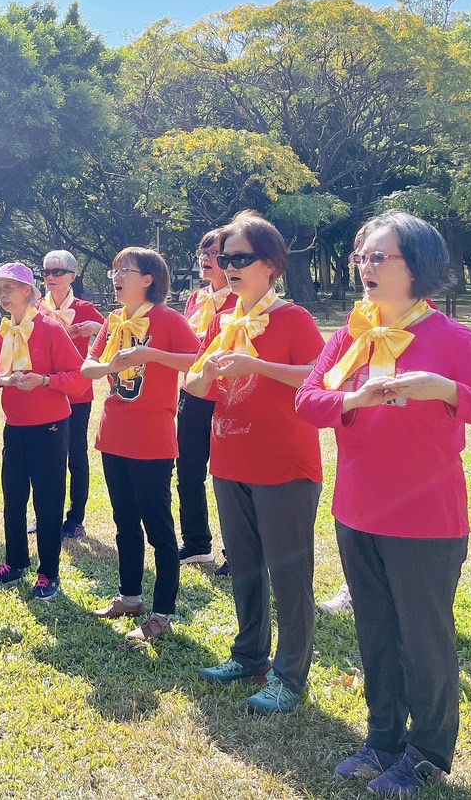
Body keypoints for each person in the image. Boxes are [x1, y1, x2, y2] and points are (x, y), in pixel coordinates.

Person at [296, 212, 471, 795]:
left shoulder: (453, 339)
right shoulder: (351, 336)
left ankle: (427, 752)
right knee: (375, 633)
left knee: (424, 639)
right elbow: (307, 401)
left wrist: (447, 390)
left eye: (379, 257)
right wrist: (355, 396)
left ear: (415, 266)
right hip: (356, 511)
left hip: (424, 520)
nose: (365, 267)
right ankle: (383, 737)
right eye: (362, 257)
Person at [183, 212, 325, 713]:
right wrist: (199, 379)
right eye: (225, 259)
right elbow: (197, 382)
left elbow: (319, 377)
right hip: (230, 460)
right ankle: (249, 655)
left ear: (271, 264)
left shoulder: (295, 319)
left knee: (289, 576)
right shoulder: (223, 319)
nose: (229, 266)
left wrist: (255, 364)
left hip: (285, 466)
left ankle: (290, 675)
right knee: (244, 567)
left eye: (241, 258)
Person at [81, 248, 200, 643]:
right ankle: (130, 597)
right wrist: (110, 366)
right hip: (113, 436)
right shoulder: (114, 321)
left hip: (152, 441)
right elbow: (87, 367)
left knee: (159, 530)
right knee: (124, 524)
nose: (115, 276)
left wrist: (150, 353)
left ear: (148, 279)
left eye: (124, 270)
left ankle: (162, 612)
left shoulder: (167, 319)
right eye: (115, 270)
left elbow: (197, 362)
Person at [0, 262, 86, 601]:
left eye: (9, 288)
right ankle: (15, 562)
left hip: (50, 427)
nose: (2, 295)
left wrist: (46, 380)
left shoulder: (50, 329)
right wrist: (1, 380)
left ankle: (49, 573)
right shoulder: (3, 333)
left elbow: (78, 378)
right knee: (13, 496)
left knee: (48, 502)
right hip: (15, 427)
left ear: (27, 292)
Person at [38, 249, 105, 541]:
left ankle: (76, 518)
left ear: (73, 277)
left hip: (76, 392)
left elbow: (119, 336)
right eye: (46, 272)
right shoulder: (36, 306)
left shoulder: (86, 308)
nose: (51, 277)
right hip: (43, 390)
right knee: (46, 458)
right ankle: (46, 515)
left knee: (75, 455)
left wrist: (97, 327)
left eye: (58, 271)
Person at [176, 230, 232, 568]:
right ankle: (196, 542)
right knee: (189, 469)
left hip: (227, 396)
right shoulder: (195, 298)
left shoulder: (242, 301)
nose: (206, 258)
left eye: (215, 252)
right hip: (192, 392)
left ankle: (237, 552)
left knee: (228, 474)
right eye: (203, 251)